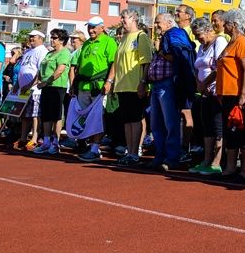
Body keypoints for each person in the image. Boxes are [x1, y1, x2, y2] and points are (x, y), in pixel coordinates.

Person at [145, 12, 194, 171]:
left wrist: (161, 51)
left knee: (170, 123)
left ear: (168, 22)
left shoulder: (176, 34)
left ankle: (172, 158)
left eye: (158, 22)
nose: (157, 26)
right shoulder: (167, 36)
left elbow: (178, 57)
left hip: (169, 84)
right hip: (157, 85)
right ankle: (160, 156)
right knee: (156, 123)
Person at [106, 9, 153, 166]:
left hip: (134, 85)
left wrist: (143, 82)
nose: (122, 21)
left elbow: (146, 62)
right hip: (122, 85)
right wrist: (111, 82)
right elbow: (117, 63)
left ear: (133, 19)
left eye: (124, 18)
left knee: (135, 119)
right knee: (127, 121)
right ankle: (129, 150)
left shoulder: (142, 36)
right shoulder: (124, 38)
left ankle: (134, 152)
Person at [72, 17, 118, 161]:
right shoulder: (86, 43)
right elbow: (78, 66)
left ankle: (94, 149)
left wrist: (109, 81)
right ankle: (86, 145)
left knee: (97, 118)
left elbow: (114, 64)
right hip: (83, 86)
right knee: (83, 118)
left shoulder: (109, 42)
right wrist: (74, 85)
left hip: (99, 87)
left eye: (93, 27)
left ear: (102, 27)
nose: (90, 30)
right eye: (89, 27)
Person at [217, 9, 245, 181]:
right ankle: (230, 167)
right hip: (226, 94)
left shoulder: (242, 42)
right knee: (230, 132)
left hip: (236, 94)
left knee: (241, 131)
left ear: (234, 25)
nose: (223, 25)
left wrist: (244, 94)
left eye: (226, 22)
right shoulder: (230, 42)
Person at [190, 17, 228, 175]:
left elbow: (220, 66)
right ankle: (206, 160)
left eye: (199, 34)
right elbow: (198, 67)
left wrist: (205, 83)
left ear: (208, 30)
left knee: (218, 127)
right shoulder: (202, 46)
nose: (198, 38)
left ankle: (217, 162)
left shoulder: (219, 42)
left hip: (216, 92)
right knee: (207, 128)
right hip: (204, 92)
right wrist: (200, 85)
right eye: (195, 35)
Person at [33, 29, 72, 155]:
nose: (52, 40)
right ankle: (46, 142)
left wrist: (46, 81)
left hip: (57, 87)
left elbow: (60, 70)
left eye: (54, 38)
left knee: (56, 115)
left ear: (61, 40)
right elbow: (41, 70)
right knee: (46, 115)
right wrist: (38, 81)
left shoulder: (64, 53)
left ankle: (55, 142)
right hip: (46, 88)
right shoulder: (49, 54)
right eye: (52, 37)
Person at [15, 30, 48, 151]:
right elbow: (23, 69)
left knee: (35, 115)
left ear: (40, 38)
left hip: (34, 90)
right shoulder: (28, 51)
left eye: (33, 37)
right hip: (23, 89)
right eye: (30, 37)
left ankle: (34, 138)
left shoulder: (43, 51)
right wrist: (17, 85)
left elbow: (40, 72)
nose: (31, 39)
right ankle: (23, 137)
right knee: (24, 115)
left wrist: (29, 85)